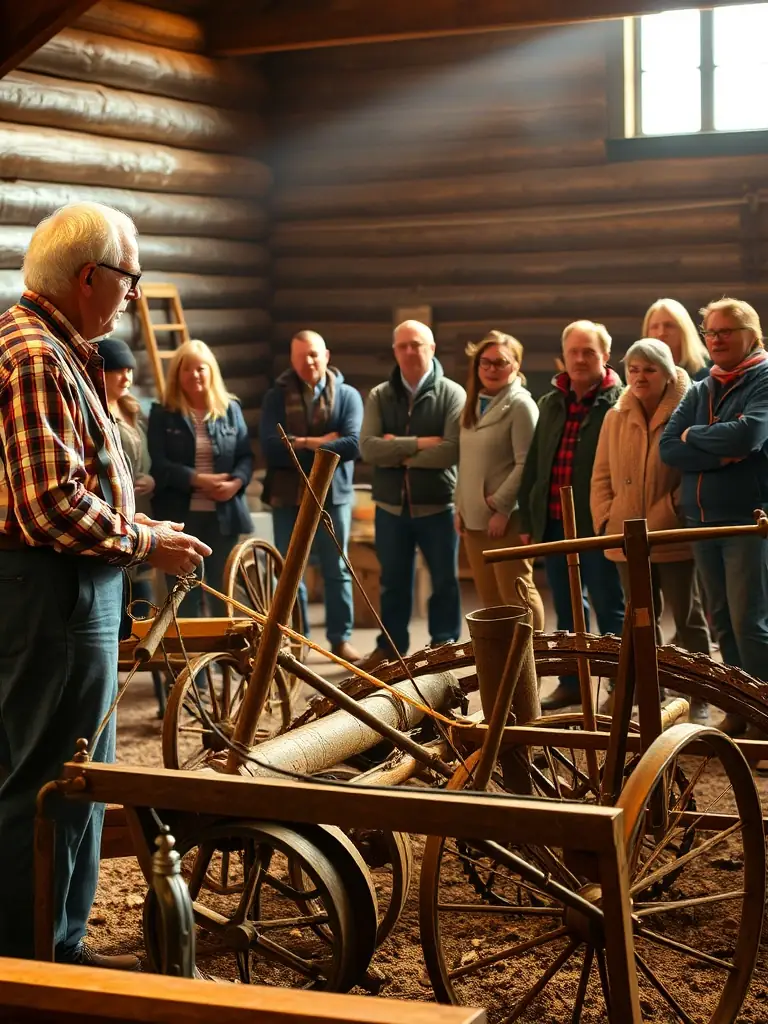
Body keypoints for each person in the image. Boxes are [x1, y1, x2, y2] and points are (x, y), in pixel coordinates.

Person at [0, 201, 210, 965]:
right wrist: (146, 539)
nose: (133, 293)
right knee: (52, 782)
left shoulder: (55, 347)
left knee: (79, 771)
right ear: (90, 277)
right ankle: (34, 964)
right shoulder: (35, 356)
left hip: (70, 586)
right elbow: (50, 503)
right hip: (51, 588)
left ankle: (59, 942)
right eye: (130, 278)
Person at [661, 297, 768, 736]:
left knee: (750, 621)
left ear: (751, 334)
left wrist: (695, 437)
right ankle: (737, 707)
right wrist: (717, 452)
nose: (717, 339)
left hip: (746, 520)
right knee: (720, 619)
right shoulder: (703, 386)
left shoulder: (763, 379)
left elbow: (750, 433)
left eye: (727, 331)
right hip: (701, 520)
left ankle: (762, 711)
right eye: (711, 332)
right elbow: (669, 446)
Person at [591, 339, 710, 713]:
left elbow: (694, 472)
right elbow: (601, 475)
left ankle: (701, 694)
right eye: (634, 370)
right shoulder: (615, 415)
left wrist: (669, 513)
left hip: (671, 532)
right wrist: (606, 519)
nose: (640, 377)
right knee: (639, 616)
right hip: (626, 534)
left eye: (649, 369)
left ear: (668, 371)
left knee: (687, 615)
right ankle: (647, 690)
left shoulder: (689, 409)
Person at [518, 320, 625, 710]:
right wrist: (530, 519)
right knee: (566, 607)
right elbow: (535, 463)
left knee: (609, 603)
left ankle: (619, 685)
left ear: (605, 356)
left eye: (589, 352)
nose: (580, 359)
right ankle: (572, 682)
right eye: (574, 352)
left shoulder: (618, 401)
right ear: (563, 356)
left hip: (597, 522)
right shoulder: (551, 402)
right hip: (553, 521)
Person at [359, 320, 466, 670]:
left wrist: (398, 450)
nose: (409, 351)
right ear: (394, 351)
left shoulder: (453, 393)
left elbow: (450, 450)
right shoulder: (379, 395)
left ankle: (443, 646)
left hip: (438, 504)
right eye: (402, 345)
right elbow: (370, 449)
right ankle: (390, 646)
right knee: (393, 581)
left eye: (416, 344)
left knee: (444, 580)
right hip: (391, 507)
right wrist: (421, 445)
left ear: (431, 348)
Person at [260, 330, 363, 662]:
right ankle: (298, 638)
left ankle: (340, 639)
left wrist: (300, 442)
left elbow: (352, 445)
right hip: (285, 495)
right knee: (290, 570)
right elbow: (272, 448)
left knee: (337, 568)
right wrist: (321, 442)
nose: (309, 361)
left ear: (327, 355)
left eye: (315, 354)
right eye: (302, 355)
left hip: (334, 494)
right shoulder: (275, 397)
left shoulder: (347, 396)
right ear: (292, 359)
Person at [148, 339, 254, 617]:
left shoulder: (231, 409)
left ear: (211, 372)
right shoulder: (162, 413)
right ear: (177, 375)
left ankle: (223, 658)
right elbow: (158, 464)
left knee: (223, 591)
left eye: (201, 369)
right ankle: (193, 658)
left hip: (224, 515)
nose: (195, 375)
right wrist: (199, 480)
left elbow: (246, 457)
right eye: (187, 370)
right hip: (180, 518)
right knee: (184, 593)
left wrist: (235, 484)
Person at [455, 330, 544, 628]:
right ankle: (504, 670)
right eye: (486, 363)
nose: (492, 369)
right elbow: (465, 462)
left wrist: (503, 508)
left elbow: (526, 463)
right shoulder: (472, 404)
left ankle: (535, 666)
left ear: (516, 366)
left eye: (500, 362)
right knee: (491, 602)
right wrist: (460, 506)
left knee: (518, 597)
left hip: (505, 521)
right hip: (474, 520)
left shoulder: (520, 405)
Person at [643, 298, 711, 381]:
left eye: (669, 326)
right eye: (654, 327)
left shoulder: (707, 375)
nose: (661, 333)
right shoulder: (637, 375)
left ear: (684, 331)